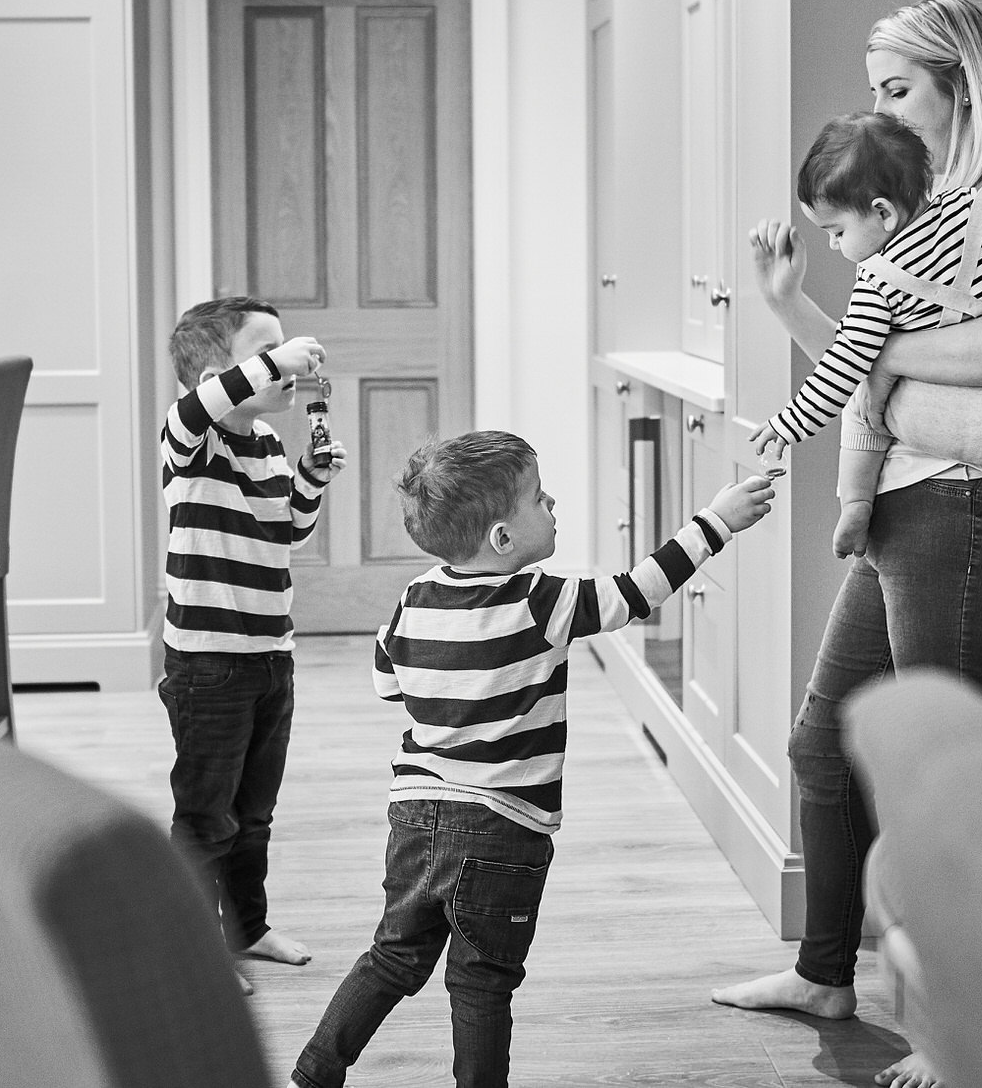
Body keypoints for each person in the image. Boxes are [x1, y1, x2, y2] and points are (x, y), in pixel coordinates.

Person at [710, 0, 982, 1088]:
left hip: (971, 509)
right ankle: (827, 970)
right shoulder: (940, 205)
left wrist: (867, 365)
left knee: (947, 779)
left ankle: (959, 1028)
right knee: (823, 744)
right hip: (907, 501)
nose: (877, 106)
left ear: (959, 83)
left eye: (896, 89)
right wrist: (790, 302)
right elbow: (869, 357)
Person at [293, 430, 776, 1088]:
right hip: (503, 826)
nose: (552, 504)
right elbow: (637, 591)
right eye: (538, 498)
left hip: (415, 816)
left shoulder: (414, 598)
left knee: (394, 954)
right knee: (482, 980)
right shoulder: (541, 601)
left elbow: (386, 679)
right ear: (502, 538)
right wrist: (715, 521)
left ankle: (315, 1071)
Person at [750, 110, 982, 622]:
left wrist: (788, 425)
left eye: (835, 231)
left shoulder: (876, 279)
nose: (834, 246)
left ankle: (855, 503)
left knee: (862, 403)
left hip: (930, 427)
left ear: (882, 213)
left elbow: (841, 367)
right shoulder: (981, 208)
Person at [159, 295, 347, 973]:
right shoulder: (191, 440)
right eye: (268, 351)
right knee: (206, 816)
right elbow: (192, 412)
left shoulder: (265, 442)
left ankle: (246, 927)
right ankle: (192, 949)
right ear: (215, 375)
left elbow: (287, 529)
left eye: (286, 348)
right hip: (208, 665)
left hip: (271, 656)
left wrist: (311, 478)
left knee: (254, 814)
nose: (289, 360)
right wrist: (273, 361)